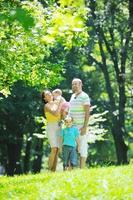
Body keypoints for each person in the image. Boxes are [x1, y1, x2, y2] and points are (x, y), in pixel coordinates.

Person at [69, 78, 91, 168]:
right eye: (73, 84)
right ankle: (70, 169)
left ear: (81, 84)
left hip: (81, 127)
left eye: (76, 84)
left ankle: (82, 169)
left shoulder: (84, 96)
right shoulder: (72, 96)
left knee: (82, 148)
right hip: (72, 127)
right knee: (71, 147)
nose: (74, 86)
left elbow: (87, 113)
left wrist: (85, 127)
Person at [42, 90, 62, 172]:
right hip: (51, 127)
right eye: (47, 94)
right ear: (44, 98)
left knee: (57, 150)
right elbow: (56, 113)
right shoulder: (46, 106)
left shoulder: (57, 102)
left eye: (50, 93)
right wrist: (59, 103)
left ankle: (53, 171)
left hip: (59, 126)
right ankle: (49, 170)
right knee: (54, 148)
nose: (49, 95)